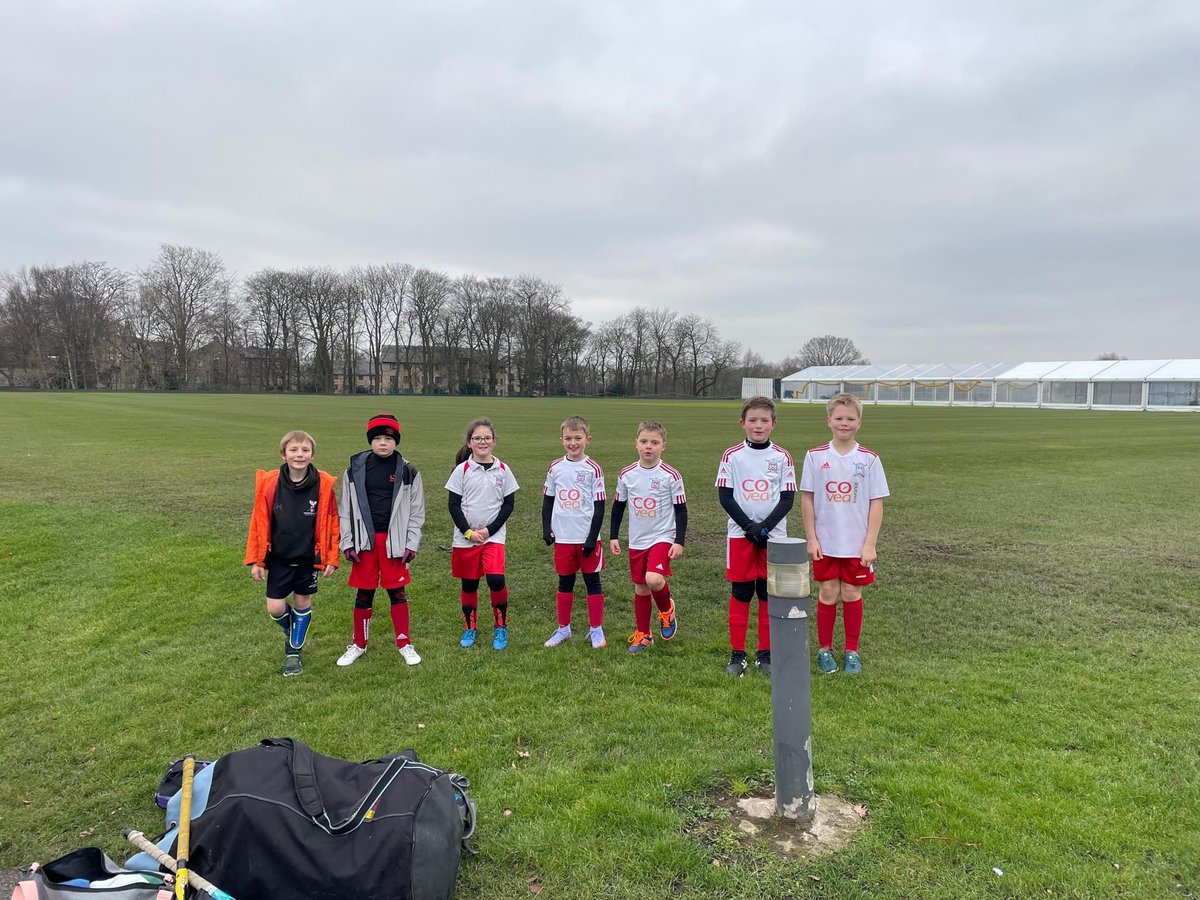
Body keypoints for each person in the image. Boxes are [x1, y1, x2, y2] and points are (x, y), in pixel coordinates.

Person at [800, 392, 889, 676]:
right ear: (829, 421)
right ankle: (824, 649)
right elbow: (807, 499)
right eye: (839, 418)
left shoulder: (869, 459)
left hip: (856, 543)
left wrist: (870, 544)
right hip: (825, 542)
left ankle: (852, 651)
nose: (844, 423)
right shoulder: (815, 456)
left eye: (850, 418)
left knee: (851, 592)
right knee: (828, 592)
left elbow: (876, 503)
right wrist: (812, 538)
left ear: (859, 423)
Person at [244, 430, 339, 677]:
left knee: (302, 602)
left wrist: (331, 557)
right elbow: (258, 522)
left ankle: (293, 652)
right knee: (275, 608)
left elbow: (332, 522)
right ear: (283, 454)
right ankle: (294, 630)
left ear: (312, 455)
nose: (299, 455)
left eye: (305, 450)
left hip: (308, 559)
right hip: (279, 559)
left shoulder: (323, 484)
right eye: (293, 450)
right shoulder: (270, 483)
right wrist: (256, 560)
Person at [335, 414, 426, 668]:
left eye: (388, 438)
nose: (382, 443)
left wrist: (411, 544)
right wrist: (347, 542)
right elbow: (345, 510)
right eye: (377, 438)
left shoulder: (408, 471)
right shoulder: (354, 470)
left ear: (396, 441)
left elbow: (417, 512)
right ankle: (359, 644)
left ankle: (404, 643)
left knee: (397, 592)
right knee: (364, 593)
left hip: (393, 542)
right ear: (370, 441)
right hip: (365, 541)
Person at [715, 396, 796, 677]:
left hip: (774, 537)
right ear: (742, 423)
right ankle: (738, 653)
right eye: (752, 420)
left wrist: (765, 528)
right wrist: (749, 526)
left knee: (766, 592)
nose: (758, 425)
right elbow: (725, 496)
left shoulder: (782, 457)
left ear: (774, 424)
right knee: (741, 592)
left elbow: (787, 498)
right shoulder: (732, 455)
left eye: (764, 420)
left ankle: (765, 653)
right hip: (740, 536)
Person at [609, 421, 686, 654]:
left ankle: (666, 610)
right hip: (637, 539)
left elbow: (681, 510)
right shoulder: (626, 474)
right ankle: (644, 635)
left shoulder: (671, 475)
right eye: (644, 442)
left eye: (654, 442)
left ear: (664, 446)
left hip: (663, 536)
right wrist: (613, 536)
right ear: (636, 444)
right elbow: (618, 506)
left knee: (653, 579)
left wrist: (679, 541)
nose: (648, 446)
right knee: (641, 586)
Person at [445, 417, 519, 650]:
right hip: (465, 538)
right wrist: (467, 532)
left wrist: (489, 530)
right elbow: (453, 505)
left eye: (487, 438)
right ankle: (470, 628)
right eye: (477, 438)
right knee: (469, 584)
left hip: (493, 537)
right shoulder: (462, 470)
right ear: (469, 442)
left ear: (494, 441)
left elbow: (508, 505)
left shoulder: (504, 470)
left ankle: (501, 627)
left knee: (496, 580)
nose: (482, 442)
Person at [542, 415, 608, 649]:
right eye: (568, 438)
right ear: (561, 440)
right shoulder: (555, 467)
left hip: (586, 538)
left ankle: (596, 630)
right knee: (565, 582)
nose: (573, 443)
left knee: (593, 582)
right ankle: (563, 629)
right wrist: (546, 528)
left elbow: (600, 506)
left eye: (577, 438)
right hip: (563, 537)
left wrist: (592, 537)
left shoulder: (593, 469)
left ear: (588, 439)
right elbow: (548, 500)